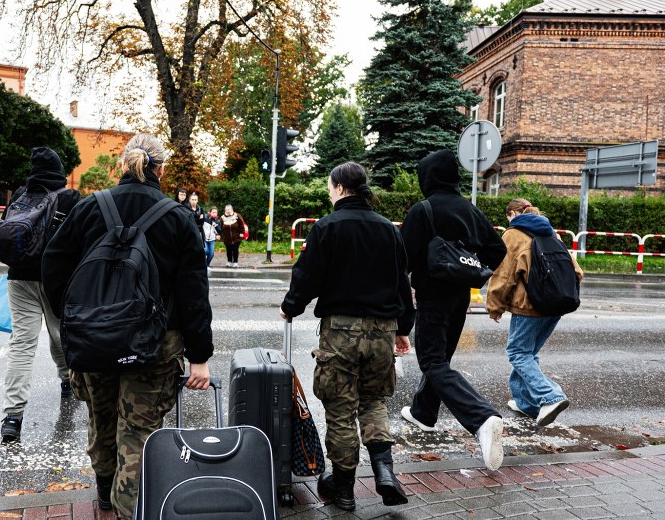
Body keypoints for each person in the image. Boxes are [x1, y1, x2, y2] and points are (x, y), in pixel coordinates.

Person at [42, 134, 213, 519]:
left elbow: (52, 267)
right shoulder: (178, 218)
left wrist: (73, 319)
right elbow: (194, 294)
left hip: (93, 339)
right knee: (138, 432)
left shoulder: (88, 209)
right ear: (161, 169)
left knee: (101, 419)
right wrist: (199, 356)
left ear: (122, 165)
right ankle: (128, 509)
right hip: (154, 344)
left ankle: (104, 494)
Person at [279, 162, 414, 510]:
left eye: (329, 186)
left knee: (340, 411)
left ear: (339, 187)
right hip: (382, 330)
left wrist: (290, 307)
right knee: (373, 401)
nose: (329, 191)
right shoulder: (389, 230)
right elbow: (403, 284)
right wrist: (403, 329)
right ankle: (385, 472)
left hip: (341, 330)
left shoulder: (327, 227)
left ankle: (343, 489)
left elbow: (307, 276)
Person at [398, 149, 509, 470]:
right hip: (460, 296)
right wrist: (471, 269)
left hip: (432, 295)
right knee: (440, 360)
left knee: (432, 360)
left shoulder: (424, 210)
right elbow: (497, 248)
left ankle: (481, 417)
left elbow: (400, 260)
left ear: (427, 177)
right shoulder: (469, 209)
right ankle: (423, 413)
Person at [0, 147, 81, 443]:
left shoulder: (21, 194)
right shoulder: (70, 197)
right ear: (60, 170)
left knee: (21, 343)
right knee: (59, 334)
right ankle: (68, 381)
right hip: (55, 278)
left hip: (18, 277)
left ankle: (12, 416)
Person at [487, 198, 581, 426]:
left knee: (518, 353)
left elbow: (504, 275)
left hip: (529, 307)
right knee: (528, 353)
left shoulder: (513, 234)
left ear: (512, 214)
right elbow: (576, 271)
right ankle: (527, 404)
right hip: (557, 305)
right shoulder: (552, 233)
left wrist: (495, 305)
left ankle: (551, 396)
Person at [218, 203, 247, 267]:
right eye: (226, 210)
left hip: (237, 237)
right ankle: (229, 261)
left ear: (232, 209)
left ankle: (235, 262)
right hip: (227, 237)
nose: (228, 211)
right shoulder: (222, 218)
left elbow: (242, 224)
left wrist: (242, 233)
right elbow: (220, 227)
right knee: (229, 250)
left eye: (229, 209)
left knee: (235, 249)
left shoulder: (237, 216)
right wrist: (219, 235)